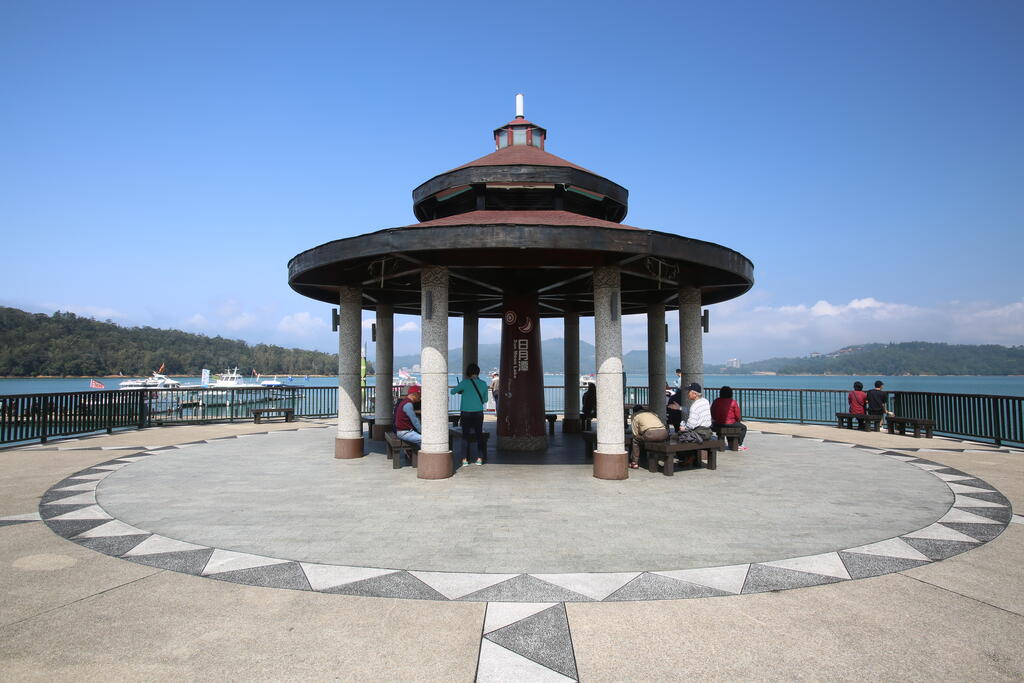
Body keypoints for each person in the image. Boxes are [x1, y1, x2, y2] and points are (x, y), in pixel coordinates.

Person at [451, 364, 488, 466]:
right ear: (478, 372)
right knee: (479, 434)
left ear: (468, 372)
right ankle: (480, 458)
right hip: (479, 412)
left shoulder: (464, 383)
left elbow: (453, 391)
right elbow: (485, 400)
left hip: (466, 413)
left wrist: (462, 390)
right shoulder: (484, 383)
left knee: (465, 435)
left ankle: (464, 460)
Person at [630, 404, 668, 469]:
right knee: (649, 440)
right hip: (664, 433)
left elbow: (635, 432)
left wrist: (638, 436)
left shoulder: (635, 416)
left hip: (650, 434)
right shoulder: (652, 413)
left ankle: (635, 463)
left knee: (635, 440)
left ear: (634, 411)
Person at [711, 386, 748, 450]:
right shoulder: (733, 402)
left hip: (717, 424)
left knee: (726, 428)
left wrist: (716, 420)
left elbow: (712, 412)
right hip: (730, 423)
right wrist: (737, 421)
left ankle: (727, 443)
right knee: (743, 428)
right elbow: (738, 415)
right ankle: (739, 443)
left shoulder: (716, 401)